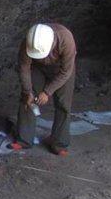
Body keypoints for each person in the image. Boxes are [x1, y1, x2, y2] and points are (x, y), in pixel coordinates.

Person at [8, 23, 76, 156]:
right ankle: (24, 140)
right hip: (37, 68)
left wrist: (47, 92)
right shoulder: (28, 42)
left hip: (61, 70)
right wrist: (28, 91)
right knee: (27, 101)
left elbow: (66, 72)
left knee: (63, 104)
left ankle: (59, 143)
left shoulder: (66, 39)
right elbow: (24, 68)